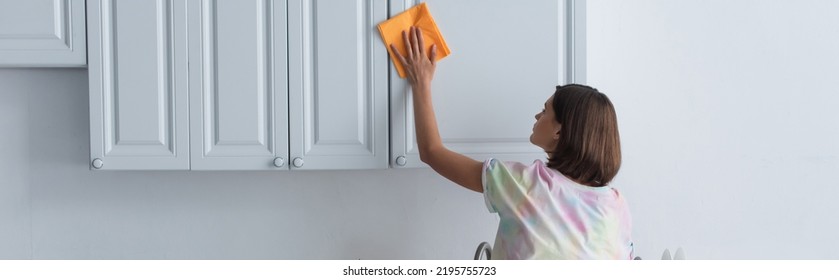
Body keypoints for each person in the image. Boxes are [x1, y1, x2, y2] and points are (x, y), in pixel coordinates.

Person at [389, 26, 633, 260]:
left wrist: (421, 83)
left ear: (559, 131)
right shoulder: (616, 205)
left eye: (544, 110)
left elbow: (432, 152)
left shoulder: (524, 185)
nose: (538, 116)